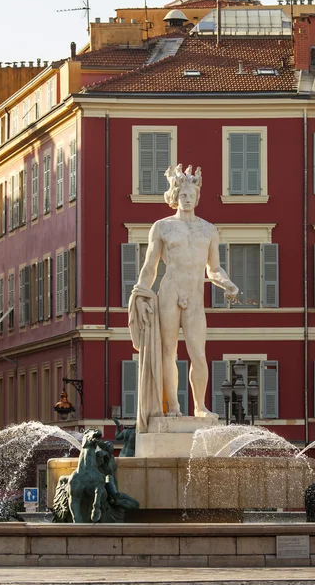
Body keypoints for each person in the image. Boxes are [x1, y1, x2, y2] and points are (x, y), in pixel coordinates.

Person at [128, 164, 238, 432]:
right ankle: (173, 407)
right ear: (174, 196)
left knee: (198, 354)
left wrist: (227, 283)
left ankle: (199, 406)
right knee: (168, 352)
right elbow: (150, 266)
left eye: (191, 194)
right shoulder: (162, 227)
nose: (186, 198)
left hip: (195, 298)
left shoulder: (209, 230)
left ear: (197, 197)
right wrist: (141, 292)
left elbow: (213, 268)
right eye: (182, 194)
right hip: (169, 292)